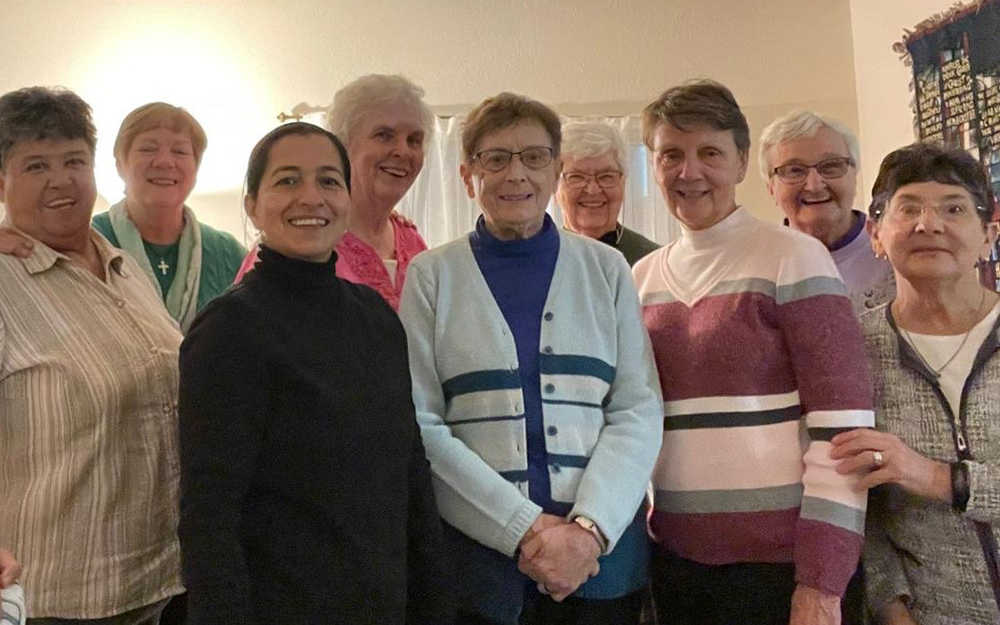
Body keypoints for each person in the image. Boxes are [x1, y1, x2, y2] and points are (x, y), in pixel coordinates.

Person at [398, 92, 663, 625]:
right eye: (495, 158)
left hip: (602, 565)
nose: (515, 173)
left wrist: (586, 533)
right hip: (480, 567)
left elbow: (636, 407)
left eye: (534, 156)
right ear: (468, 174)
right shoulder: (431, 276)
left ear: (556, 169)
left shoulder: (608, 269)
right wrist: (527, 527)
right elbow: (421, 423)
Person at [178, 122, 451, 624]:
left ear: (347, 198)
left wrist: (433, 608)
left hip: (383, 604)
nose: (311, 197)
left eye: (329, 181)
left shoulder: (376, 316)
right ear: (252, 205)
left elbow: (410, 474)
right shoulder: (230, 329)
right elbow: (209, 511)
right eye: (287, 181)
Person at [632, 79, 874, 625]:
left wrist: (821, 583)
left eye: (709, 153)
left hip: (783, 571)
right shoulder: (639, 280)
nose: (688, 172)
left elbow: (843, 431)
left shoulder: (795, 257)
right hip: (677, 564)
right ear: (654, 165)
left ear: (742, 163)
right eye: (671, 154)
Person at [0, 87, 182, 623]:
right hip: (58, 593)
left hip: (161, 583)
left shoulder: (126, 268)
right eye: (35, 165)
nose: (61, 179)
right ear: (2, 181)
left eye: (74, 160)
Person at [830, 143, 1000, 625]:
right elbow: (857, 501)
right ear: (876, 235)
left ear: (988, 235)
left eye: (953, 208)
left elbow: (920, 477)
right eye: (908, 209)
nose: (929, 224)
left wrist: (937, 477)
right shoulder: (851, 349)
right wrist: (889, 605)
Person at [0, 103, 246, 332]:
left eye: (180, 151)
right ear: (119, 163)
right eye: (148, 148)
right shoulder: (83, 246)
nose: (164, 161)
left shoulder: (229, 253)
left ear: (196, 168)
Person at [236, 74, 431, 309]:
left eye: (414, 140)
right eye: (384, 135)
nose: (403, 151)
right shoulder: (299, 239)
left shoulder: (414, 243)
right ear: (343, 145)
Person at [759, 110, 894, 314]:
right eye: (794, 170)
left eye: (831, 166)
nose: (814, 185)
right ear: (771, 187)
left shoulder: (895, 249)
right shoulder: (754, 268)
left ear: (854, 176)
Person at [555, 121, 659, 266]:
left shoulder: (653, 262)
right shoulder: (536, 259)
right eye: (576, 177)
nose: (593, 190)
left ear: (623, 182)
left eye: (606, 176)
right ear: (554, 185)